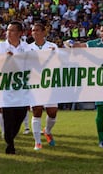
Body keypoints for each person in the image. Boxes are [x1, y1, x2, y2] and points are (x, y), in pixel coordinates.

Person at [73, 20, 103, 148]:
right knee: (100, 109)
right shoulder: (94, 43)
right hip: (99, 81)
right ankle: (101, 138)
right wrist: (70, 43)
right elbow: (79, 46)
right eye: (101, 31)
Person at [0, 20, 30, 154]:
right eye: (8, 30)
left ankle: (9, 136)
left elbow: (30, 63)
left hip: (21, 87)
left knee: (20, 115)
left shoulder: (26, 47)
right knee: (8, 116)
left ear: (20, 33)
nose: (8, 33)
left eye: (12, 30)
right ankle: (10, 143)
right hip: (7, 87)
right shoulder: (1, 46)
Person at [28, 22, 59, 150]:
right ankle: (37, 142)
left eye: (37, 30)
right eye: (33, 31)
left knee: (52, 113)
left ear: (43, 32)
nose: (34, 33)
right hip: (34, 83)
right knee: (37, 111)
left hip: (50, 83)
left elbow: (60, 61)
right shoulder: (28, 48)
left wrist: (55, 55)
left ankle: (47, 130)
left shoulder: (52, 46)